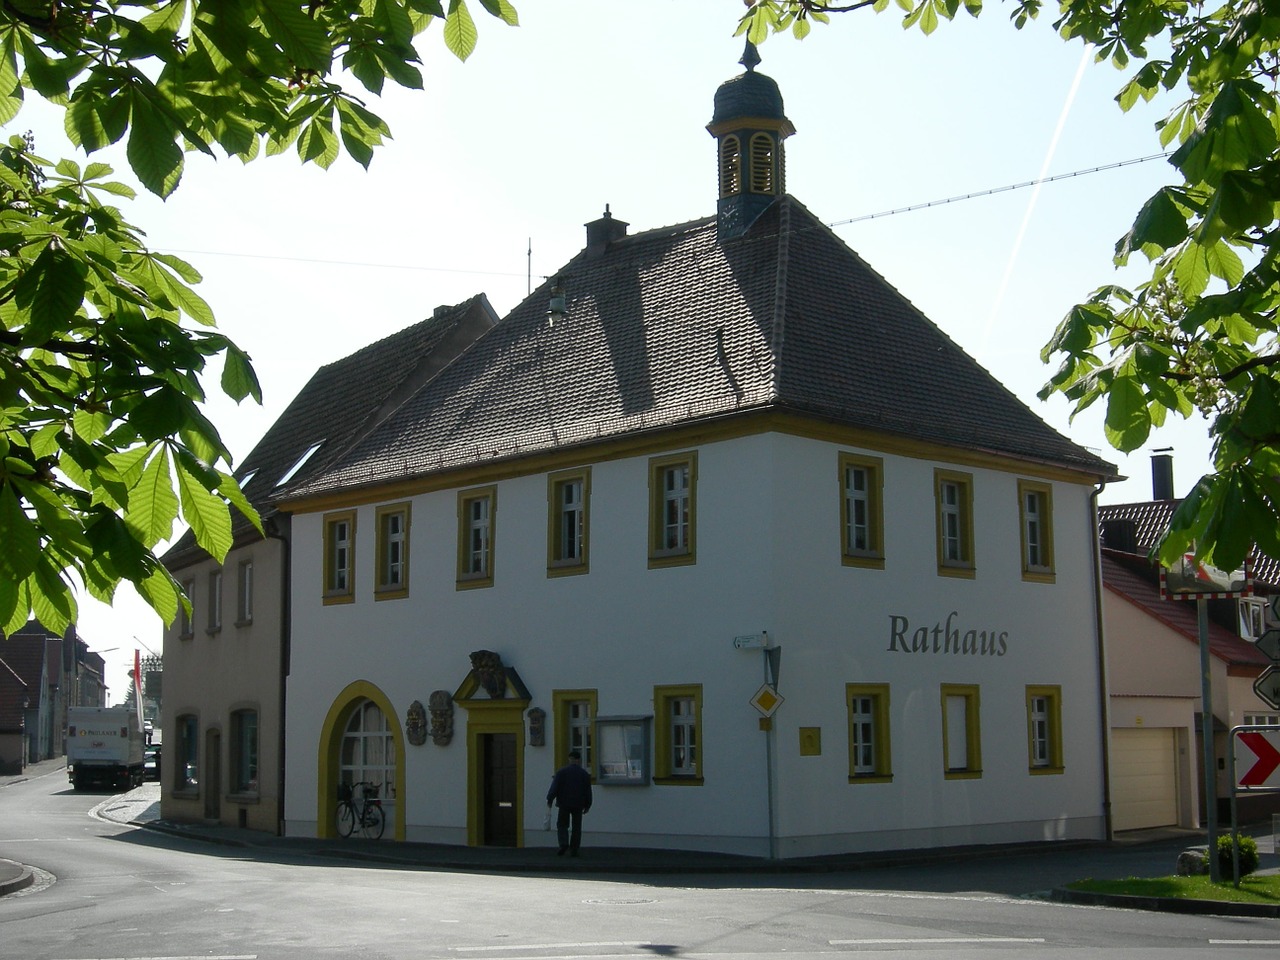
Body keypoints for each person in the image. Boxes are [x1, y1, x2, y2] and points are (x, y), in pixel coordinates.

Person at [546, 750, 592, 856]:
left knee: (562, 824)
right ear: (579, 760)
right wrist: (588, 804)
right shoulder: (584, 774)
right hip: (578, 803)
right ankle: (574, 848)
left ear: (569, 759)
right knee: (576, 827)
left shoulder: (561, 772)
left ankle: (563, 843)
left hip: (564, 803)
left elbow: (554, 787)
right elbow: (588, 791)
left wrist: (550, 800)